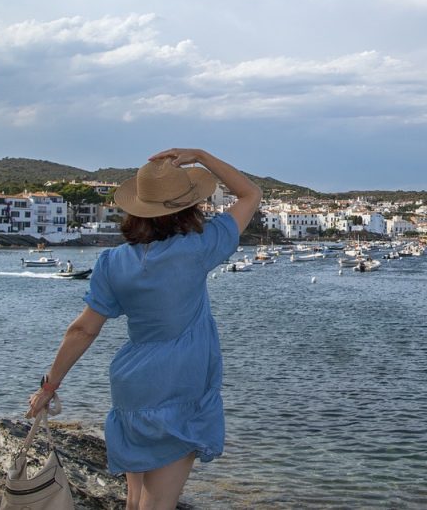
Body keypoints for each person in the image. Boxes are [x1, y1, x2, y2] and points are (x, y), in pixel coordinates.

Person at [26, 149, 261, 510]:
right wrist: (201, 156)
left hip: (132, 386)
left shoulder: (113, 261)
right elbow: (250, 194)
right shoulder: (198, 248)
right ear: (187, 208)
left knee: (135, 501)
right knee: (156, 504)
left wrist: (49, 386)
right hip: (177, 388)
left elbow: (82, 330)